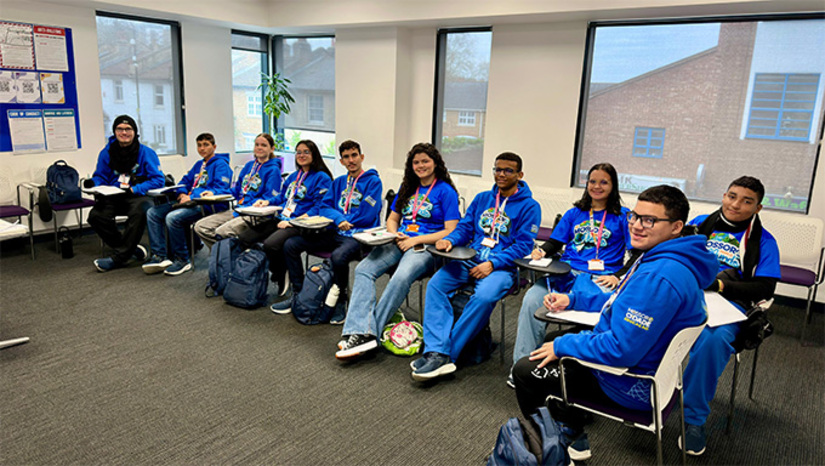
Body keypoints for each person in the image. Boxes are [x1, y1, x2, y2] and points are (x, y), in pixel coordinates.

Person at [512, 185, 717, 462]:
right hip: (652, 367)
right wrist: (573, 300)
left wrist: (562, 346)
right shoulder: (671, 259)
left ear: (676, 227)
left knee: (527, 369)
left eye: (650, 220)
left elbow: (621, 350)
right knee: (569, 337)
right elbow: (622, 300)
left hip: (630, 380)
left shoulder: (657, 276)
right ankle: (571, 426)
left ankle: (559, 443)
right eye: (635, 216)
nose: (636, 226)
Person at [411, 152, 541, 381]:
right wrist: (450, 240)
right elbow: (464, 227)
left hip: (502, 268)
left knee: (483, 297)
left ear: (520, 175)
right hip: (470, 259)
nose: (501, 174)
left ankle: (447, 355)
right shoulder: (482, 198)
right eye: (497, 169)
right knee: (436, 285)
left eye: (508, 170)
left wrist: (493, 263)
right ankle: (435, 349)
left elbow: (523, 246)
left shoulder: (530, 206)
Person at [680, 176, 780, 456]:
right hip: (687, 293)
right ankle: (642, 394)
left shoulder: (764, 241)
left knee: (713, 340)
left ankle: (692, 419)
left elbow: (765, 287)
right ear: (723, 195)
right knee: (643, 318)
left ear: (757, 208)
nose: (736, 204)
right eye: (732, 196)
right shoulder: (699, 224)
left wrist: (721, 285)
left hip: (730, 303)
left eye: (747, 201)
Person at [335, 142, 460, 360]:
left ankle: (368, 333)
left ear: (435, 163)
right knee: (364, 269)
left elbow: (451, 230)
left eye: (425, 161)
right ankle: (359, 329)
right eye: (416, 162)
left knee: (400, 277)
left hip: (425, 246)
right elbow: (392, 219)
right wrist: (395, 234)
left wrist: (416, 240)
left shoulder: (445, 191)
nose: (420, 166)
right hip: (399, 241)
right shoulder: (407, 187)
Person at [510, 163, 630, 386]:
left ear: (613, 185)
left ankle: (588, 376)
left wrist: (619, 275)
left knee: (604, 313)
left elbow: (637, 253)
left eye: (604, 182)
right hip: (565, 272)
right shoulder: (575, 212)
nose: (597, 186)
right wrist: (541, 251)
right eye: (593, 181)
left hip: (601, 276)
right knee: (531, 300)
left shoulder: (623, 216)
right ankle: (522, 367)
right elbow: (556, 242)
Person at [275, 140, 383, 321]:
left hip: (358, 235)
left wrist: (345, 220)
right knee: (291, 245)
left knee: (338, 257)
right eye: (346, 157)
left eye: (354, 155)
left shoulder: (373, 182)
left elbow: (368, 213)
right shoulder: (339, 182)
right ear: (341, 161)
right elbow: (324, 206)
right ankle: (300, 294)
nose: (351, 160)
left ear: (361, 157)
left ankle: (340, 301)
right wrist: (339, 219)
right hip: (335, 231)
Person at [238, 139, 333, 304]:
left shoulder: (321, 177)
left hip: (303, 223)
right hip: (282, 217)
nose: (301, 155)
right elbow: (282, 197)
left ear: (314, 154)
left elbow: (320, 207)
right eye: (298, 152)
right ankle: (278, 267)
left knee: (270, 244)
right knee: (246, 237)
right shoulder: (293, 177)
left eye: (306, 152)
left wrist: (295, 221)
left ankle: (281, 272)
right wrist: (267, 202)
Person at [142, 133, 232, 276]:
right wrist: (182, 193)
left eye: (206, 145)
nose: (202, 148)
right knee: (153, 213)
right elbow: (184, 182)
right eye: (199, 145)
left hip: (207, 206)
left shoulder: (221, 165)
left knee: (173, 218)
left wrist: (192, 196)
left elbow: (221, 189)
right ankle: (159, 256)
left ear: (214, 147)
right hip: (188, 202)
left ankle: (183, 259)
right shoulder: (199, 165)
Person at [89, 115, 165, 272]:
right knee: (96, 216)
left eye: (128, 129)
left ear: (135, 132)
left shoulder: (145, 153)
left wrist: (134, 189)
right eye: (120, 129)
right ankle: (130, 249)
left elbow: (158, 180)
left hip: (137, 195)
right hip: (114, 196)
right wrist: (95, 185)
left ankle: (119, 258)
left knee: (139, 212)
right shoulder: (107, 152)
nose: (124, 132)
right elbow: (100, 176)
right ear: (114, 131)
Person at [193, 133, 282, 249]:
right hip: (239, 209)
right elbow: (237, 189)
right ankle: (225, 257)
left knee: (222, 232)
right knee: (201, 227)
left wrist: (243, 210)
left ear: (272, 149)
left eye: (264, 145)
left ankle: (230, 259)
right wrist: (215, 193)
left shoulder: (273, 170)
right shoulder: (249, 166)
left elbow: (268, 198)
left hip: (255, 214)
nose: (259, 148)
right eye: (257, 145)